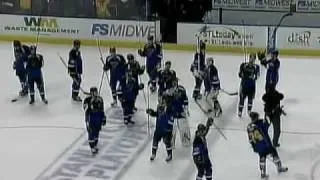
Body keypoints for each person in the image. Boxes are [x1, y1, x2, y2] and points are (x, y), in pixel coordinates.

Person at [247, 112, 288, 179]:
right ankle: (279, 168)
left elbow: (250, 138)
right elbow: (267, 124)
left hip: (259, 147)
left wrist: (254, 147)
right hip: (266, 145)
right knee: (274, 154)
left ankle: (263, 174)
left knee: (262, 159)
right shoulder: (261, 124)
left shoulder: (249, 127)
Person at [83, 87, 106, 155]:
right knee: (91, 132)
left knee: (97, 131)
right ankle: (92, 146)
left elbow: (102, 109)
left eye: (96, 92)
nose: (96, 93)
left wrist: (103, 118)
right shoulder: (87, 99)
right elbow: (85, 109)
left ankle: (95, 144)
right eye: (94, 92)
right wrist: (91, 103)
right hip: (90, 118)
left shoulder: (100, 99)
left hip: (98, 117)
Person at [238, 53, 259, 117]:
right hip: (244, 86)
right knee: (241, 99)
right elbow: (239, 74)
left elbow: (257, 76)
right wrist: (241, 74)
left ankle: (249, 111)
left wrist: (253, 76)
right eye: (251, 58)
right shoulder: (243, 65)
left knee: (250, 100)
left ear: (255, 59)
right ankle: (240, 111)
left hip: (252, 86)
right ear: (249, 58)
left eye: (253, 58)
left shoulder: (256, 67)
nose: (252, 60)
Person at [170, 79, 190, 147]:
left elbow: (185, 100)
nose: (175, 83)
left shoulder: (181, 90)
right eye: (173, 82)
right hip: (172, 113)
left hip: (181, 112)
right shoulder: (168, 91)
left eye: (176, 82)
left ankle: (186, 142)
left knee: (184, 128)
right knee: (171, 129)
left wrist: (186, 109)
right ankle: (170, 143)